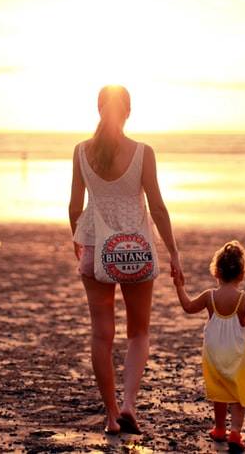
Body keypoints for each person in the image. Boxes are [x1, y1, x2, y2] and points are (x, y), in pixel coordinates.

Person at [69, 85, 184, 435]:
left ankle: (110, 415)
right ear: (129, 112)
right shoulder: (143, 152)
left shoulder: (80, 152)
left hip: (94, 247)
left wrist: (79, 239)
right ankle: (130, 405)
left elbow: (75, 205)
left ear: (98, 108)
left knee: (101, 335)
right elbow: (158, 206)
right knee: (139, 331)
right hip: (136, 251)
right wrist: (174, 251)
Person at [173, 240, 245, 451]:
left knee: (219, 392)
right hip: (239, 356)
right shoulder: (244, 299)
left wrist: (179, 286)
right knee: (238, 395)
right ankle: (235, 432)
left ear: (216, 272)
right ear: (241, 274)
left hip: (214, 354)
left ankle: (219, 429)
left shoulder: (209, 296)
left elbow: (188, 306)